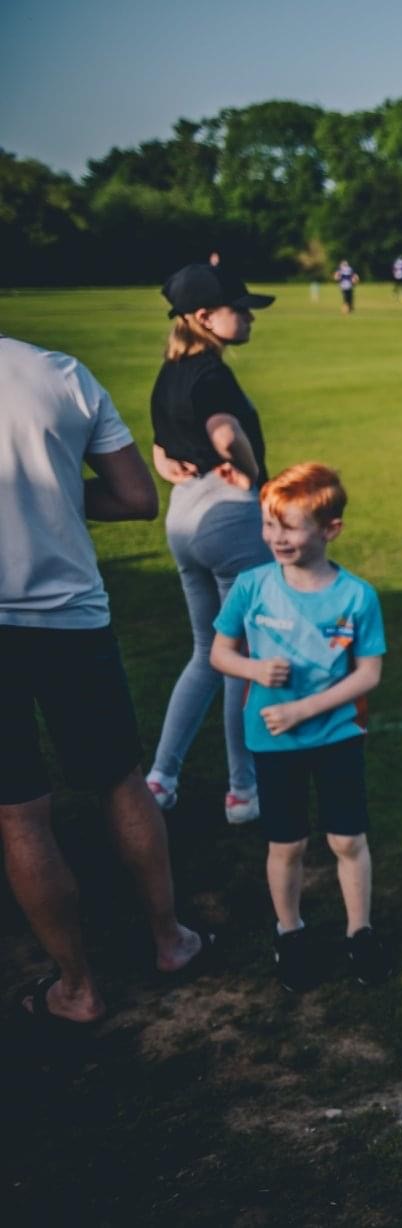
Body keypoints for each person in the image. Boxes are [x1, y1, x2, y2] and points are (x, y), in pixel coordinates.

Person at [1, 333, 212, 1028]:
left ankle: (77, 987)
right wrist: (56, 494)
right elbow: (133, 497)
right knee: (120, 780)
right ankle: (169, 940)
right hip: (70, 617)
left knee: (20, 811)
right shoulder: (60, 373)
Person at [209, 463, 390, 990]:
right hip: (272, 741)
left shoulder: (357, 596)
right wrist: (253, 669)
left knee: (346, 840)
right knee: (285, 845)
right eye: (270, 525)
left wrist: (303, 711)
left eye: (289, 526)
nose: (276, 538)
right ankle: (290, 934)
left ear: (330, 529)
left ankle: (361, 934)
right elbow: (219, 652)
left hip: (336, 737)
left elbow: (369, 674)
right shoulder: (251, 587)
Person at [146, 262, 277, 823]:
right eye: (238, 307)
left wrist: (177, 466)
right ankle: (243, 790)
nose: (247, 315)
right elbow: (226, 433)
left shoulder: (168, 373)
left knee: (207, 650)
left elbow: (158, 450)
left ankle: (160, 777)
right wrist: (254, 478)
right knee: (240, 653)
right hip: (228, 519)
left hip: (183, 519)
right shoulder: (211, 373)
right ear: (204, 317)